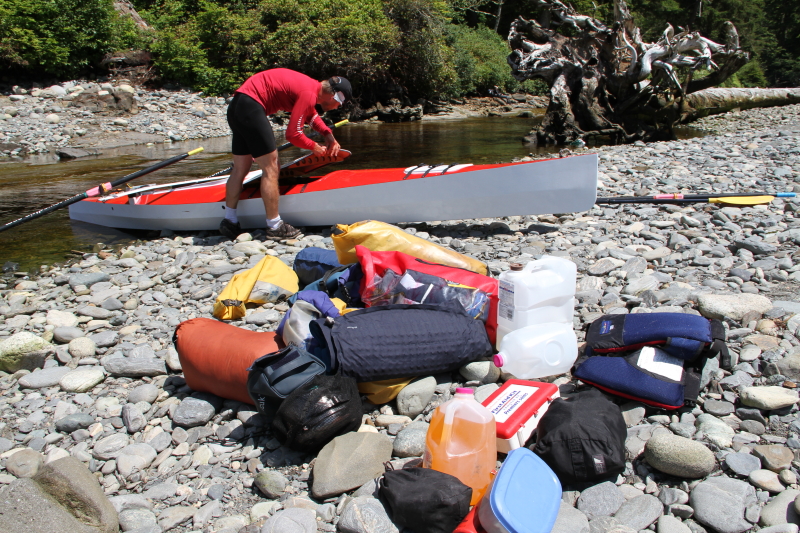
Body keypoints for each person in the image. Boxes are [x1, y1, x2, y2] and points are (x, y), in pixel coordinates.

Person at [221, 68, 352, 240]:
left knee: (240, 168)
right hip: (251, 108)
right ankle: (275, 226)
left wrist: (327, 134)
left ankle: (229, 221)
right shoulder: (308, 93)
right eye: (340, 104)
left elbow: (310, 115)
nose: (337, 107)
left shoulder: (310, 87)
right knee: (272, 167)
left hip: (237, 107)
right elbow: (293, 134)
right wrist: (314, 146)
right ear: (335, 97)